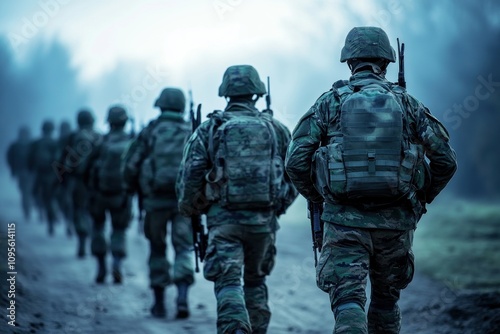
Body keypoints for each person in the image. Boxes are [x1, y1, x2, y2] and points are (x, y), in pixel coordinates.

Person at [285, 26, 458, 334]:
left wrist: (320, 196)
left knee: (349, 302)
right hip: (396, 224)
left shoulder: (329, 103)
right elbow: (445, 160)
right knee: (386, 302)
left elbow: (296, 161)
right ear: (387, 63)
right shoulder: (409, 104)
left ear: (349, 63)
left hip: (343, 222)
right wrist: (420, 199)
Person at [176, 65, 297, 334]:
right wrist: (279, 206)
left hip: (223, 221)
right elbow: (296, 173)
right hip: (263, 223)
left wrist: (192, 209)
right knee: (256, 281)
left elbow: (191, 175)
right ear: (257, 93)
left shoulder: (209, 129)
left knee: (229, 282)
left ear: (226, 93)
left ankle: (235, 330)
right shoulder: (277, 129)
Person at [122, 88, 194, 319]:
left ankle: (160, 303)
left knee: (157, 249)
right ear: (181, 106)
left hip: (154, 201)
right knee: (183, 248)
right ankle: (182, 297)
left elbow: (131, 165)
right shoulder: (190, 131)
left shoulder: (150, 131)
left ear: (160, 105)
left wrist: (133, 190)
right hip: (184, 201)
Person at [85, 106, 134, 284]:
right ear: (125, 121)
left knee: (98, 227)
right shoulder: (132, 141)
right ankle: (117, 263)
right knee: (119, 230)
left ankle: (101, 266)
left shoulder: (101, 142)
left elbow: (86, 168)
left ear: (110, 122)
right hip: (122, 195)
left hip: (100, 194)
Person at [60, 109, 102, 257]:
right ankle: (96, 241)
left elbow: (64, 161)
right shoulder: (99, 136)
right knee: (96, 213)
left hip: (79, 181)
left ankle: (82, 237)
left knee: (80, 210)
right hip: (97, 183)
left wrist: (64, 180)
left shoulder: (73, 137)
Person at [28, 120, 59, 235]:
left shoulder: (36, 143)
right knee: (51, 198)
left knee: (36, 194)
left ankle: (42, 212)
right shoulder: (55, 142)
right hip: (52, 175)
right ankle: (52, 219)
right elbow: (59, 160)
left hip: (39, 174)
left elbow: (30, 159)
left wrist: (31, 170)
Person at [6, 126, 35, 221]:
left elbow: (10, 159)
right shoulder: (17, 146)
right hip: (24, 173)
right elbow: (10, 159)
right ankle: (27, 209)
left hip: (28, 173)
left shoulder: (17, 146)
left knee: (26, 192)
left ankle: (27, 209)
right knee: (26, 192)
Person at [54, 120, 74, 236]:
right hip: (73, 177)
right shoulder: (74, 138)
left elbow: (56, 159)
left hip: (64, 177)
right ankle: (71, 223)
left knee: (66, 201)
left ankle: (69, 222)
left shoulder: (60, 141)